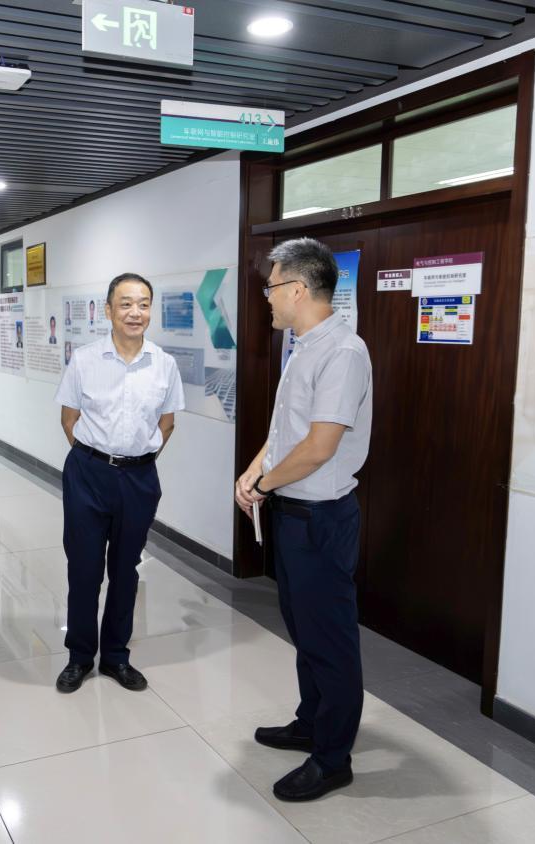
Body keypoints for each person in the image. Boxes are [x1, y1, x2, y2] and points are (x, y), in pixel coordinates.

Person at [235, 237, 373, 803]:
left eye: (270, 287)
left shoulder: (343, 352)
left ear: (297, 289)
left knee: (330, 639)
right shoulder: (304, 346)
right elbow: (287, 432)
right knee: (304, 628)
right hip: (294, 513)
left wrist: (264, 484)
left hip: (320, 517)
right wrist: (255, 470)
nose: (266, 297)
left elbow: (318, 448)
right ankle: (312, 722)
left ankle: (333, 758)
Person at [53, 273, 184, 694]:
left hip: (139, 479)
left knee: (126, 571)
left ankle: (115, 656)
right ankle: (79, 656)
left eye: (143, 304)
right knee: (84, 570)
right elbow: (69, 419)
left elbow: (167, 423)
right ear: (108, 310)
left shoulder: (164, 364)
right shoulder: (85, 360)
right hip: (88, 475)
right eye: (126, 304)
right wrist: (100, 461)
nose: (135, 312)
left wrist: (136, 461)